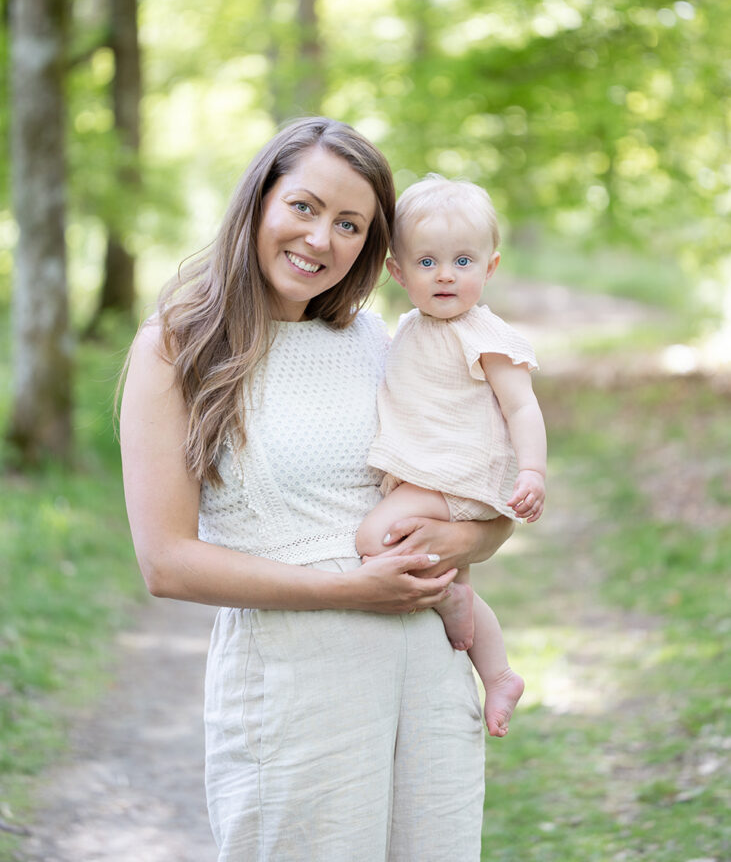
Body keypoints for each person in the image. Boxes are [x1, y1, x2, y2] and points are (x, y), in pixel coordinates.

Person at [119, 118, 515, 862]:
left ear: (371, 246)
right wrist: (355, 591)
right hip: (295, 683)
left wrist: (468, 540)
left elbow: (477, 496)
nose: (320, 238)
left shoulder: (380, 342)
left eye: (349, 224)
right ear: (259, 202)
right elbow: (165, 564)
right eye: (303, 207)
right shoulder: (178, 346)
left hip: (430, 674)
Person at [357, 174, 547, 739]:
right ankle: (499, 675)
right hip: (428, 471)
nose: (445, 275)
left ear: (489, 268)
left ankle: (447, 604)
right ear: (398, 272)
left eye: (463, 261)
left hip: (460, 473)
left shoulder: (485, 335)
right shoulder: (409, 327)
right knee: (457, 577)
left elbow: (522, 408)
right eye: (428, 262)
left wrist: (533, 469)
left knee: (376, 539)